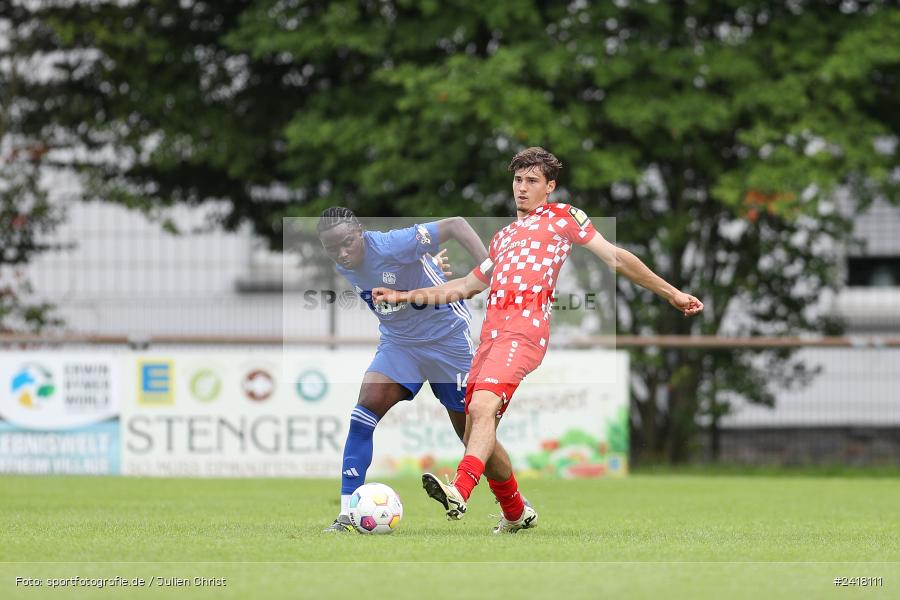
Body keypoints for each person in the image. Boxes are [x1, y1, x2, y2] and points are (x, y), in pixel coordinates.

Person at [373, 147, 704, 532]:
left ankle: (460, 490)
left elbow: (614, 257)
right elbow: (465, 286)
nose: (523, 188)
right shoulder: (502, 238)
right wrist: (403, 296)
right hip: (491, 338)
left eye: (532, 181)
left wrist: (671, 293)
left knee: (481, 407)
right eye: (518, 180)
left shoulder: (564, 217)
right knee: (476, 430)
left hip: (524, 331)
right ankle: (516, 513)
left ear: (550, 186)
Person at [317, 207, 524, 533]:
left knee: (473, 436)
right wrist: (427, 267)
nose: (342, 253)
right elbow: (398, 272)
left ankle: (516, 509)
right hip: (400, 345)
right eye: (333, 248)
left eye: (347, 243)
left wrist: (491, 268)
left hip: (448, 341)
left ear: (360, 232)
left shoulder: (392, 244)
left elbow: (455, 224)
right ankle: (346, 515)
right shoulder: (346, 261)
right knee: (363, 413)